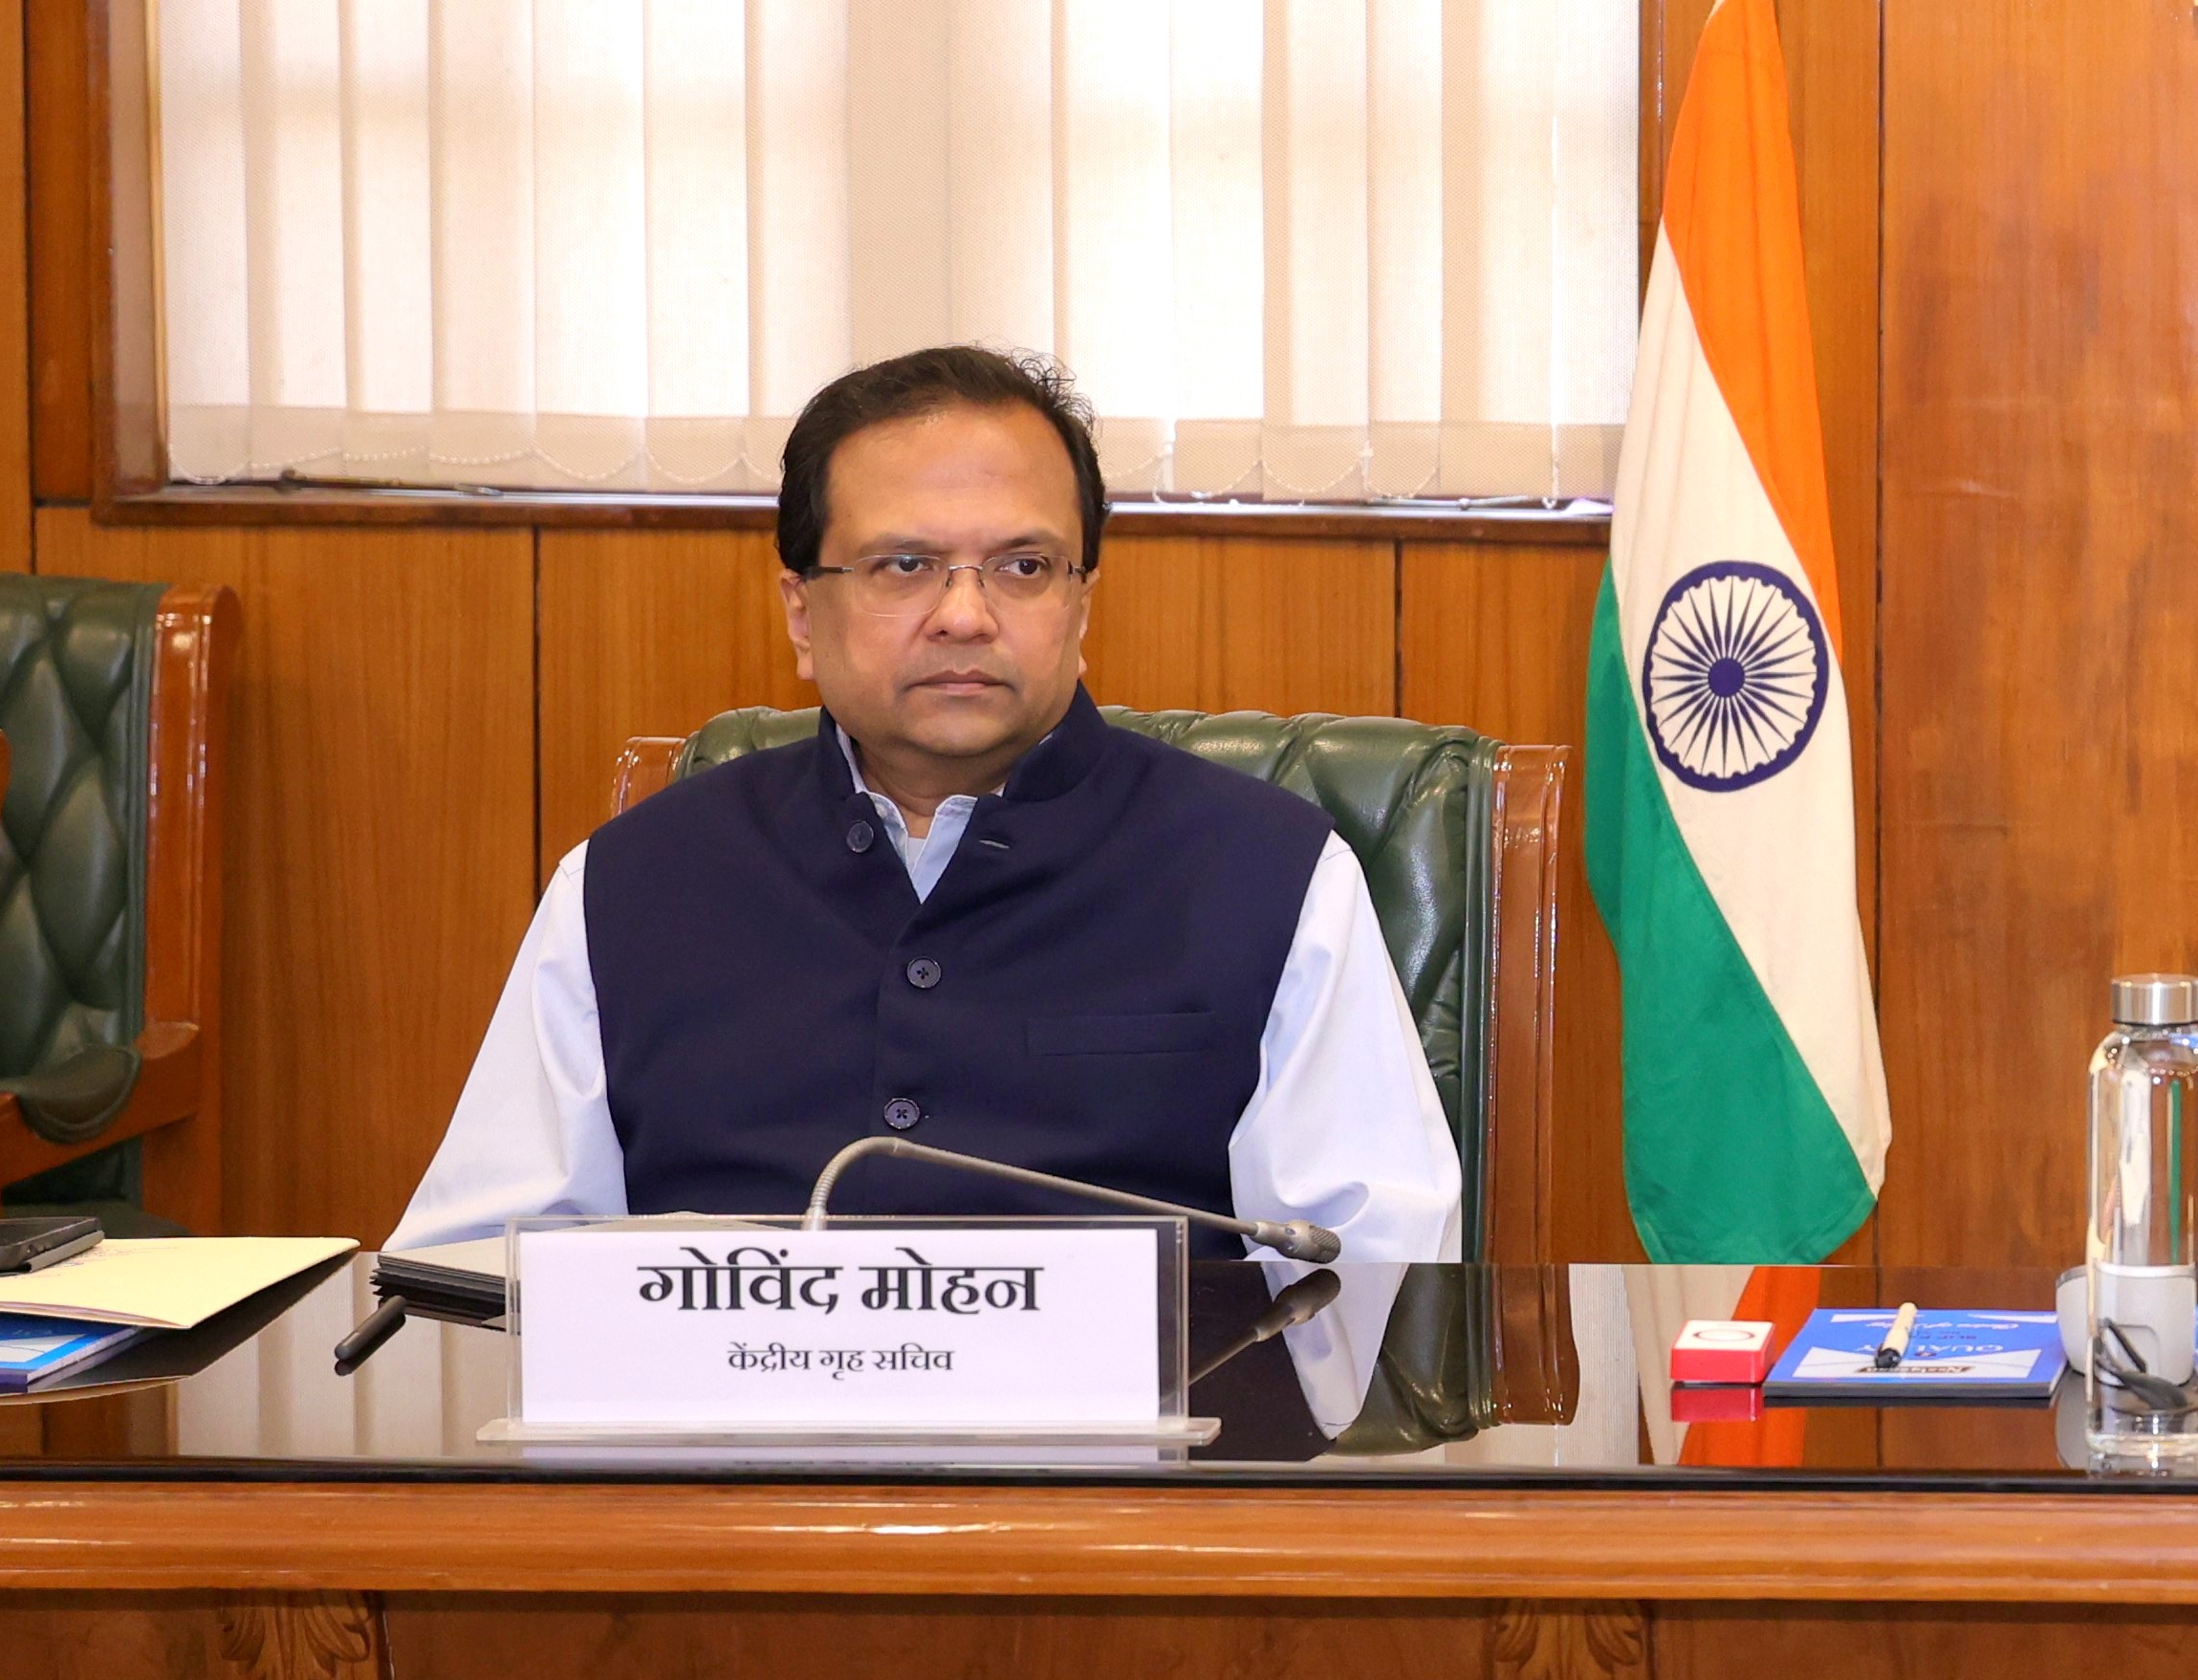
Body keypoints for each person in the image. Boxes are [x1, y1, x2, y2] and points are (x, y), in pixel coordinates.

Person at [397, 343, 1464, 1257]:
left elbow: (1369, 1272)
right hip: (721, 1477)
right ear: (803, 617)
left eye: (1023, 565)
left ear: (1080, 603)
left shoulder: (1269, 873)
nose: (964, 614)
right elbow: (486, 1265)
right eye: (904, 564)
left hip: (1129, 1482)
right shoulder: (627, 884)